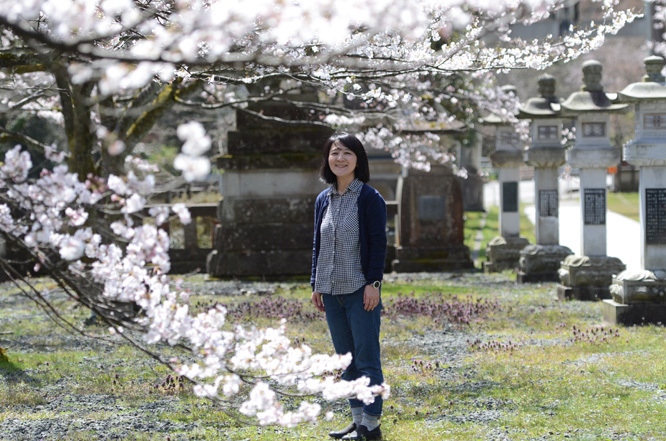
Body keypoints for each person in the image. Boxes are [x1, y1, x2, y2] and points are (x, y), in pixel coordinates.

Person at [310, 133, 387, 441]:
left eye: (347, 154)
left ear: (358, 159)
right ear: (327, 159)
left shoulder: (369, 198)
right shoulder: (322, 199)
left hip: (359, 291)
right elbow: (318, 244)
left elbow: (379, 244)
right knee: (346, 362)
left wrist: (374, 284)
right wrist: (315, 282)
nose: (340, 159)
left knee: (367, 360)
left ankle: (371, 426)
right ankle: (357, 422)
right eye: (334, 153)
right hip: (330, 291)